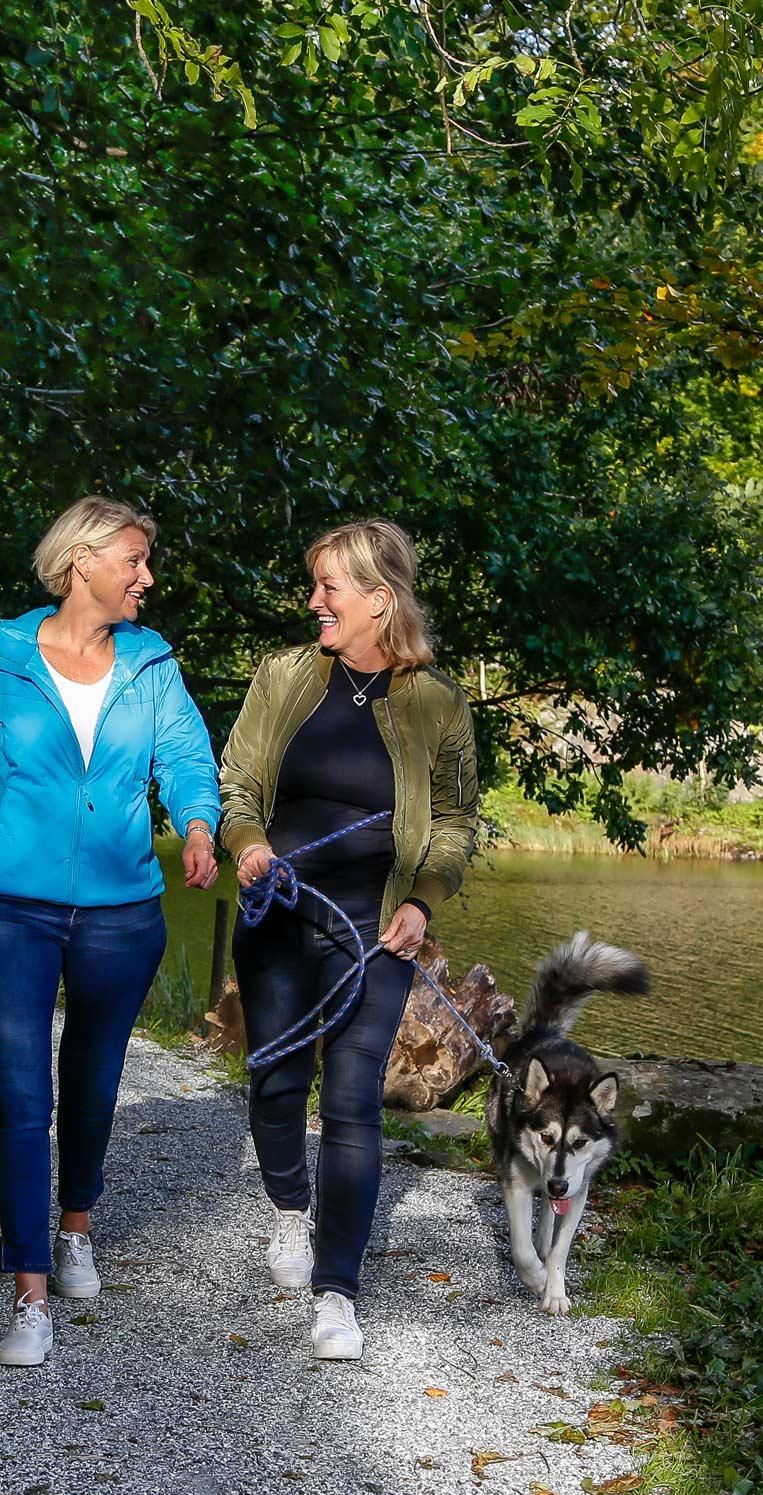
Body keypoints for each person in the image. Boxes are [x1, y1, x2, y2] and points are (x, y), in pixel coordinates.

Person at [0, 495, 222, 1366]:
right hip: (11, 906)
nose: (146, 577)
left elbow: (187, 758)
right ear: (83, 562)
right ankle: (29, 1289)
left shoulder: (151, 663)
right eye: (135, 560)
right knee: (19, 1092)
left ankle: (76, 1224)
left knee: (92, 1080)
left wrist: (198, 826)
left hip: (122, 911)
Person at [215, 519, 480, 1360]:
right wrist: (249, 844)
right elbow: (240, 782)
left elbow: (457, 822)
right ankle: (291, 1209)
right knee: (276, 1081)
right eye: (316, 585)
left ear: (379, 598)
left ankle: (339, 1292)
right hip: (280, 913)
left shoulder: (439, 702)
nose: (314, 601)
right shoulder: (285, 675)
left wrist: (426, 902)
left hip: (376, 932)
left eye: (329, 586)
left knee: (355, 1096)